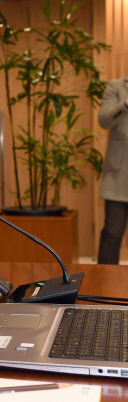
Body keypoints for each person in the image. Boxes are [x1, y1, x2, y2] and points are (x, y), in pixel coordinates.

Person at [97, 75, 128, 264]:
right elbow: (104, 120)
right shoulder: (116, 86)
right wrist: (125, 104)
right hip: (119, 175)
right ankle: (104, 285)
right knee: (112, 233)